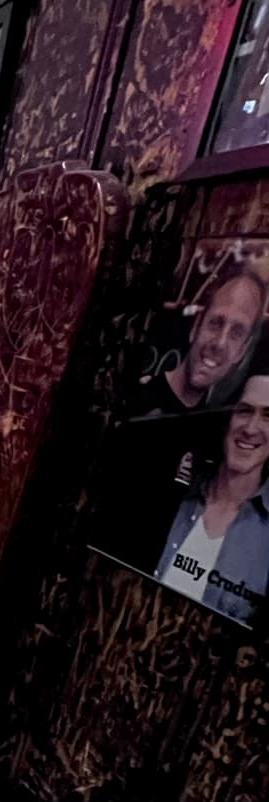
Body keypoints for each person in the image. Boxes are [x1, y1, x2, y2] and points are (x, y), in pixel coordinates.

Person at [153, 365, 269, 625]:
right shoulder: (168, 496)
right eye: (244, 410)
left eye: (268, 416)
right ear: (227, 415)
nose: (251, 427)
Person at [129, 268, 263, 420]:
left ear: (241, 351)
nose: (220, 343)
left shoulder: (212, 427)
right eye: (215, 323)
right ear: (196, 327)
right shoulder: (136, 400)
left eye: (236, 333)